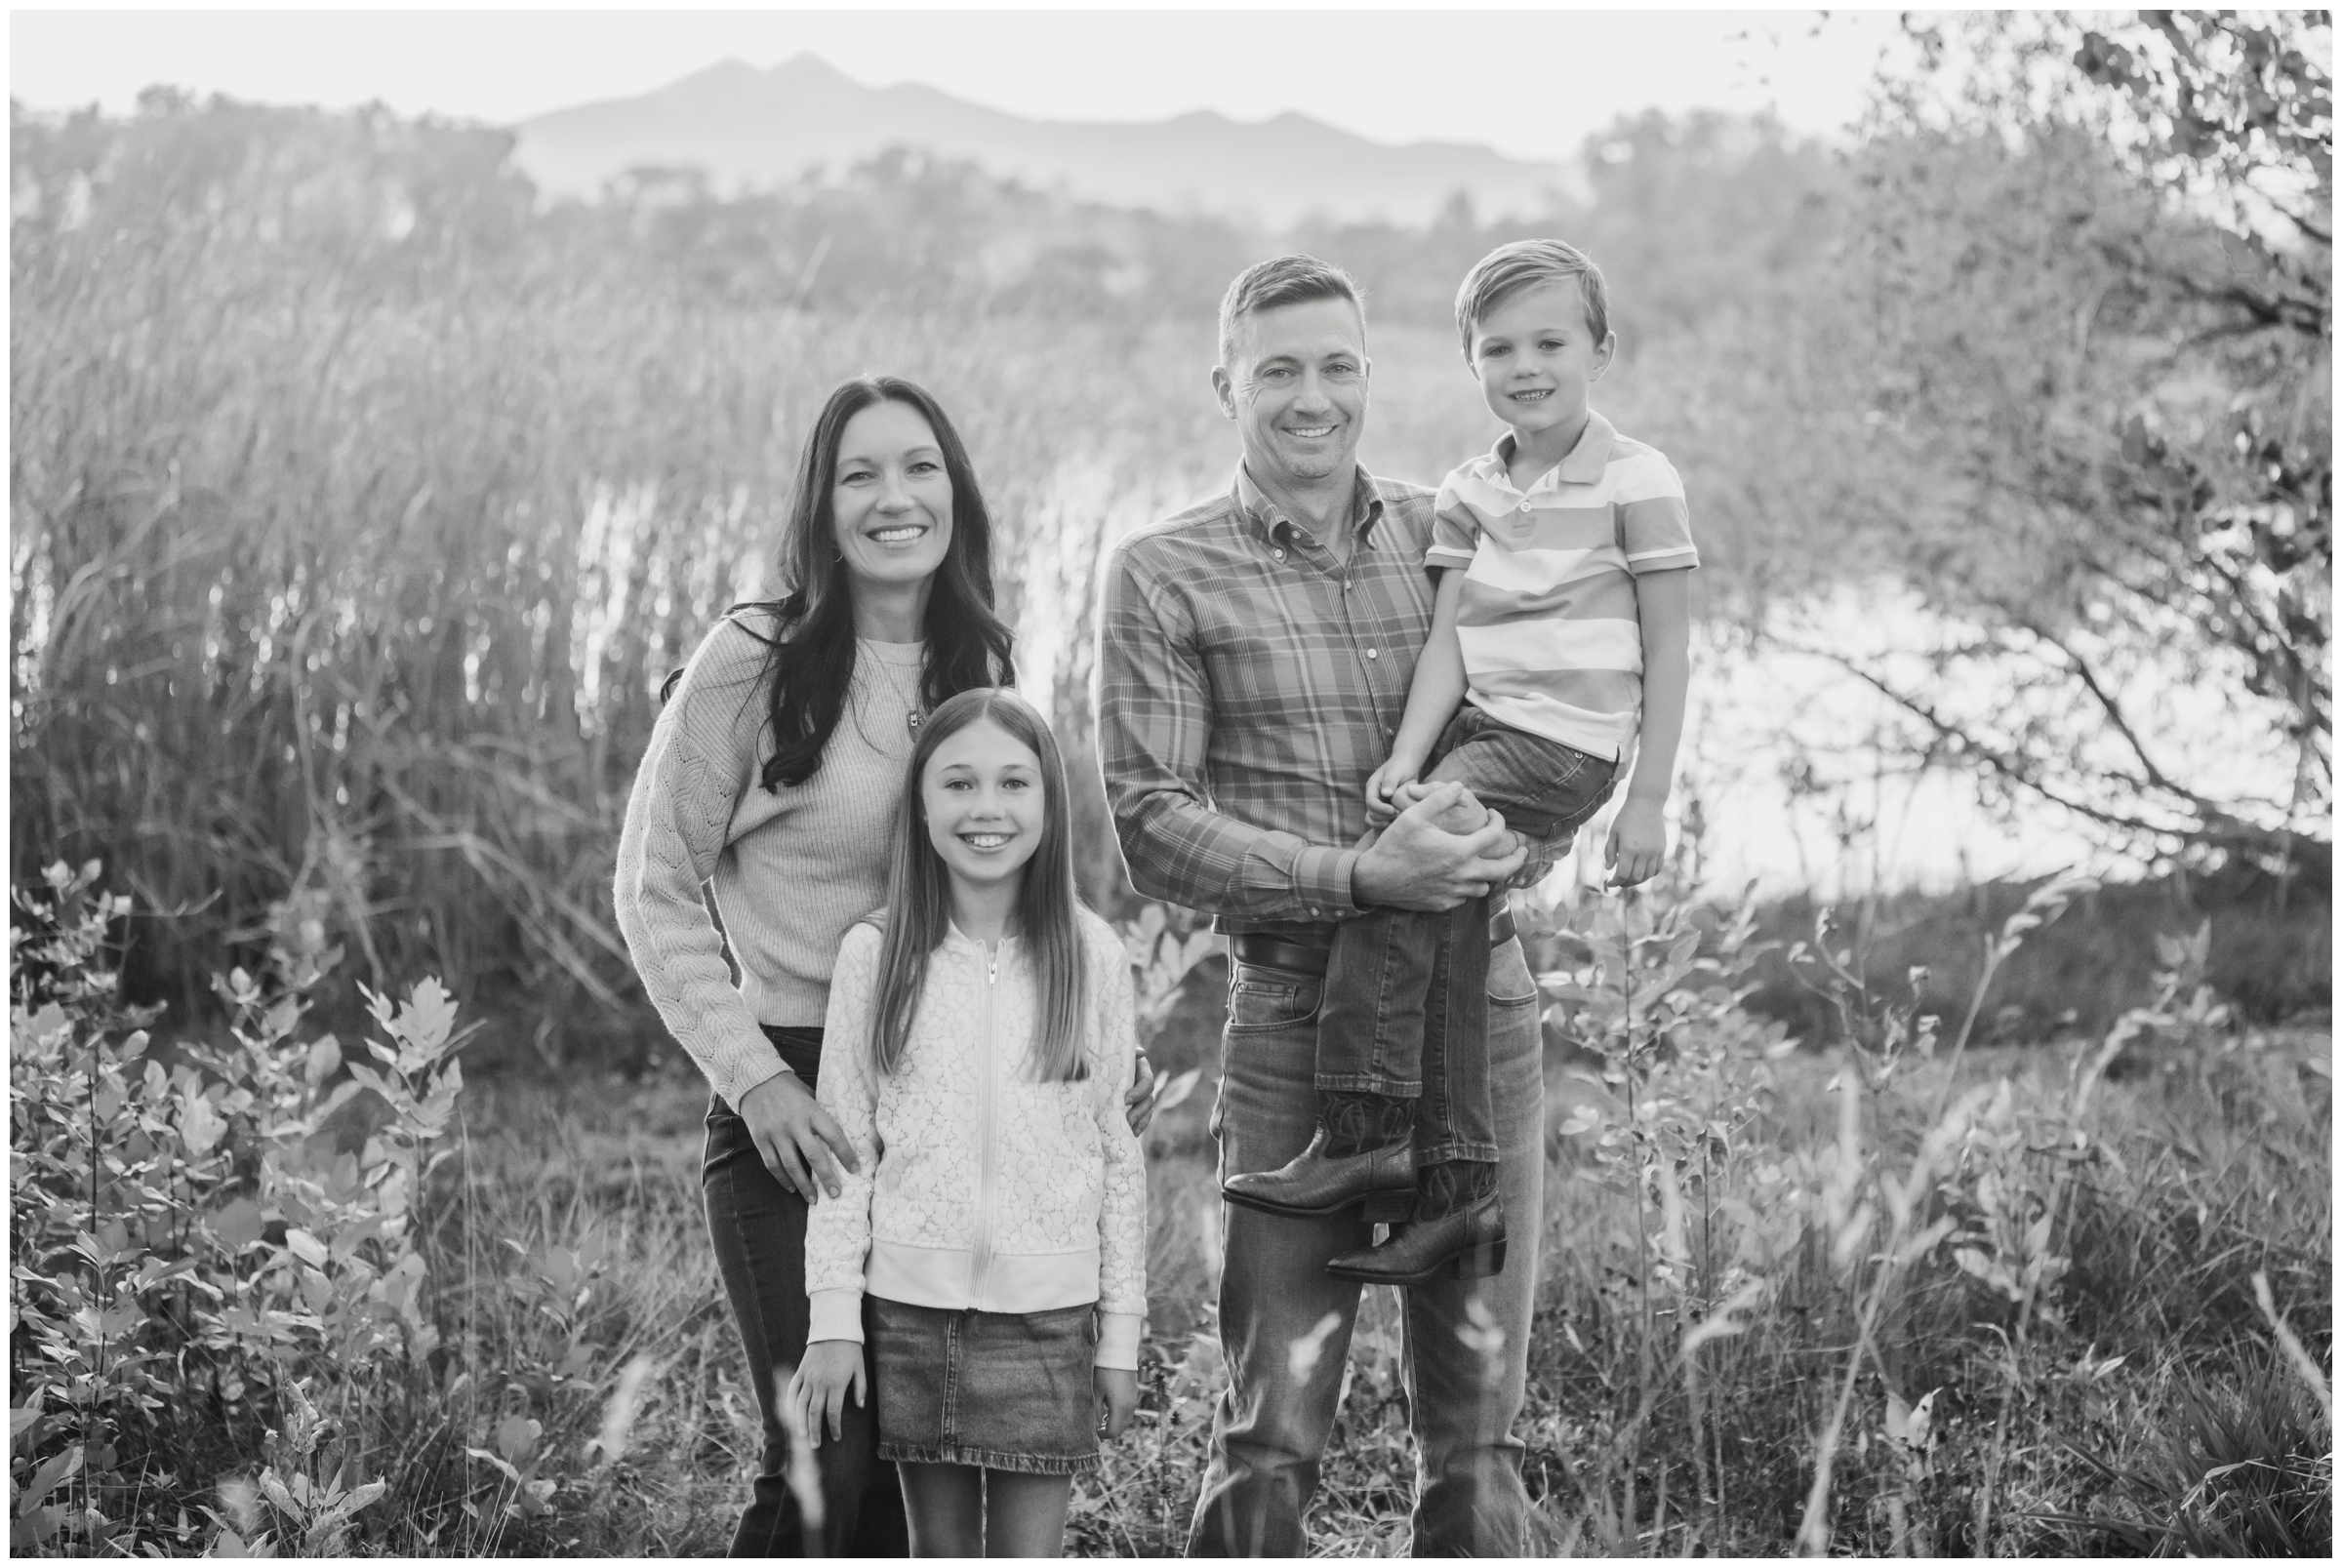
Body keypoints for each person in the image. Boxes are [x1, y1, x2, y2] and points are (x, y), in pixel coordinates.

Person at [614, 376, 1153, 1555]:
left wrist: (1087, 1035)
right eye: (859, 473)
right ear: (821, 504)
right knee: (826, 1449)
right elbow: (651, 886)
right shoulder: (750, 660)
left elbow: (1017, 872)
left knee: (916, 1454)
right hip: (800, 1093)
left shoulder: (978, 661)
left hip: (954, 1082)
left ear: (955, 493)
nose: (893, 496)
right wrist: (756, 1080)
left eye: (919, 468)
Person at [1098, 255, 1558, 1556]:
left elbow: (1562, 712)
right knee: (1274, 1421)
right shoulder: (1163, 573)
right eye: (1281, 368)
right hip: (1296, 1021)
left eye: (1339, 364)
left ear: (1372, 372)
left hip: (1481, 1012)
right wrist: (1364, 876)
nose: (1314, 395)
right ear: (1225, 383)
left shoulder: (1453, 533)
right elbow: (1150, 821)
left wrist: (1506, 839)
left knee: (1478, 1428)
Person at [1223, 238, 1696, 1287]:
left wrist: (1650, 797)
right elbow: (1449, 638)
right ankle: (1459, 1196)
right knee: (1443, 913)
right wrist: (1405, 754)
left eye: (1551, 342)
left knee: (1402, 861)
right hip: (1479, 724)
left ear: (1601, 349)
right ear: (1469, 362)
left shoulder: (1638, 478)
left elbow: (1668, 646)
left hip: (1565, 744)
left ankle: (1360, 1130)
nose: (1526, 365)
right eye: (1499, 347)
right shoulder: (1470, 488)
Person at [791, 688, 1148, 1558]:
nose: (986, 808)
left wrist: (1122, 1332)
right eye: (958, 783)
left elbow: (1116, 1151)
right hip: (910, 1316)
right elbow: (848, 1148)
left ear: (1049, 803)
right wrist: (834, 1317)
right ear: (919, 804)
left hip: (1049, 1321)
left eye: (1013, 783)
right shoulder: (876, 956)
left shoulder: (1093, 955)